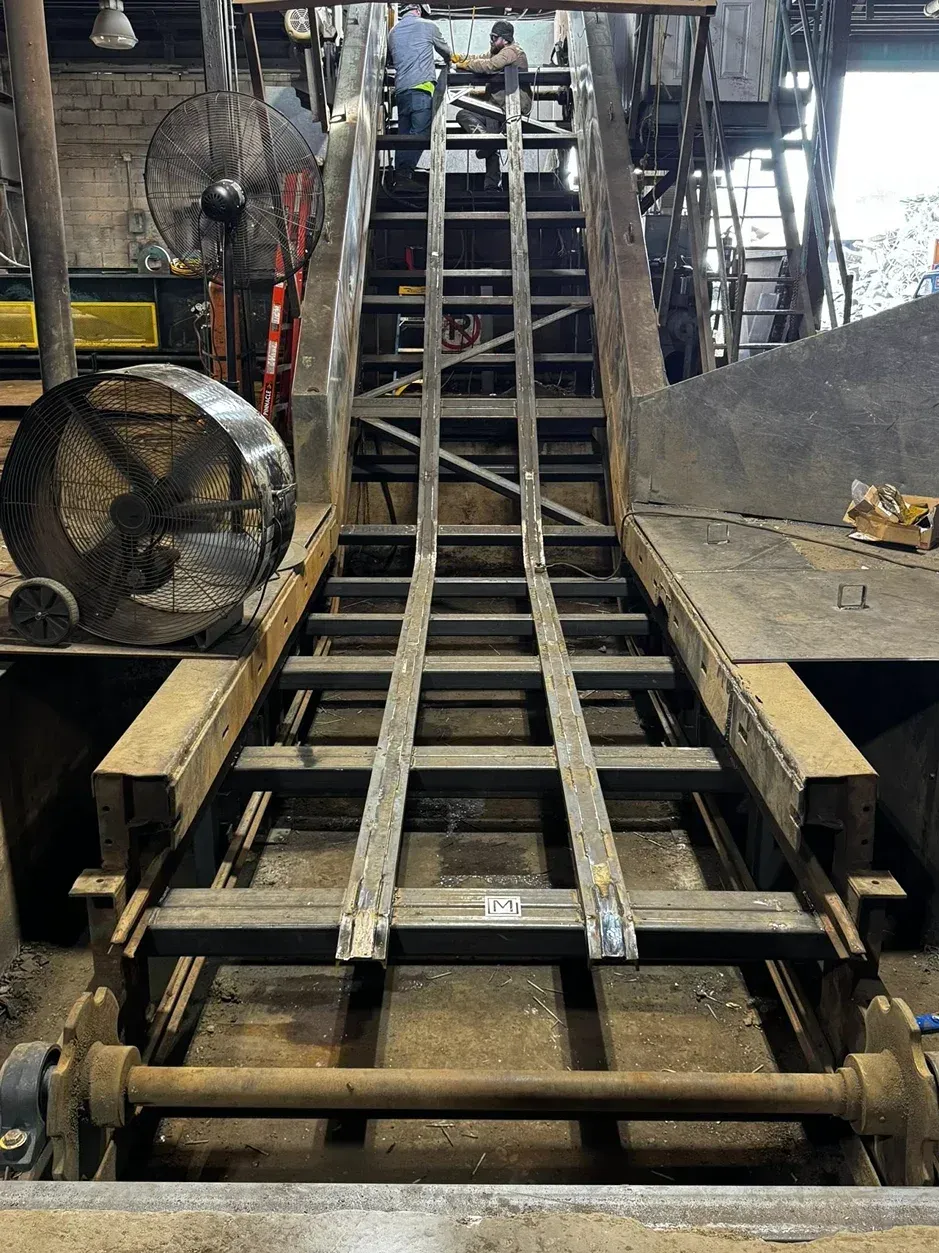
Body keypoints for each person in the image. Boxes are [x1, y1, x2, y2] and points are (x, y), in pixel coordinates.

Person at [453, 21, 531, 190]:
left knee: (490, 130)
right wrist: (462, 58)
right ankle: (487, 148)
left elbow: (490, 65)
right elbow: (481, 58)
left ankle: (490, 164)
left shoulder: (511, 51)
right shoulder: (499, 51)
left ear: (505, 39)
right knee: (464, 115)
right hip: (497, 106)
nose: (491, 41)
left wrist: (466, 65)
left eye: (494, 38)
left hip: (510, 107)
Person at [387, 3, 452, 188]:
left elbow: (393, 57)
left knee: (404, 135)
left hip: (401, 92)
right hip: (421, 90)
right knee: (422, 134)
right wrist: (449, 61)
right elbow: (446, 52)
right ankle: (403, 176)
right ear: (419, 9)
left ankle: (401, 175)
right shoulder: (428, 26)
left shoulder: (393, 32)